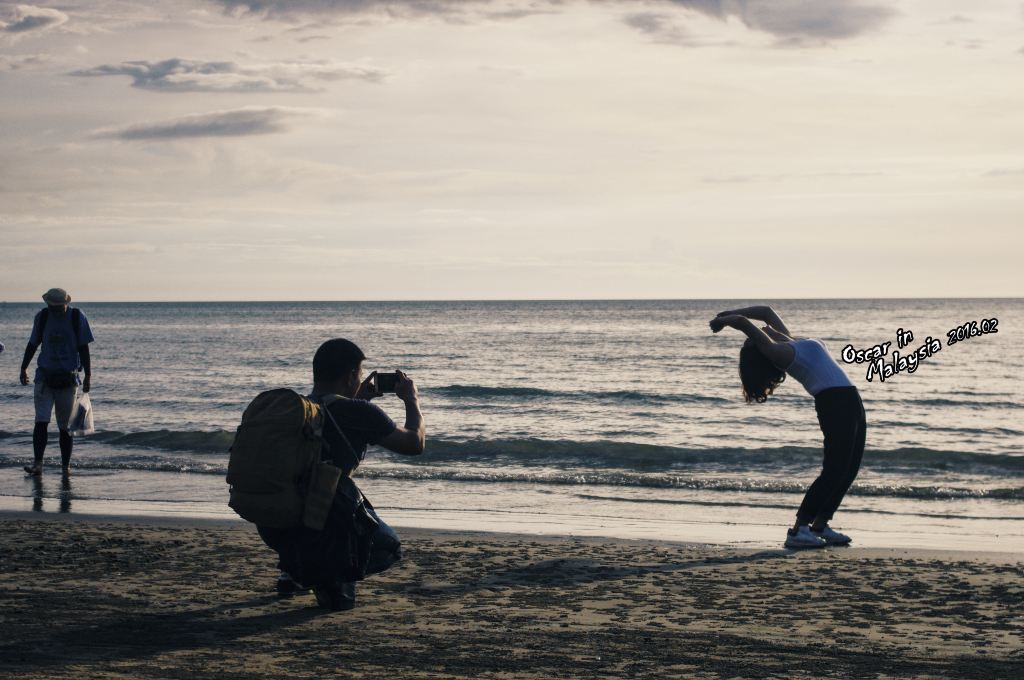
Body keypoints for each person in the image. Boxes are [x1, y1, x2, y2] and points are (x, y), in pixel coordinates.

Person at [258, 338, 425, 611]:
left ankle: (296, 567)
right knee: (389, 546)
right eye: (359, 374)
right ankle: (322, 576)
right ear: (350, 376)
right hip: (323, 520)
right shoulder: (358, 412)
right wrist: (411, 399)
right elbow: (414, 443)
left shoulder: (300, 409)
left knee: (322, 497)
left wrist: (359, 401)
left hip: (276, 520)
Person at [709, 305, 865, 550]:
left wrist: (729, 311)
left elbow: (767, 312)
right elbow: (741, 322)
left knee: (849, 468)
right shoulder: (779, 352)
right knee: (834, 469)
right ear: (759, 347)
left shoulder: (788, 342)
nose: (760, 333)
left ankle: (820, 525)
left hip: (850, 399)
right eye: (755, 339)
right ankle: (798, 529)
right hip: (834, 402)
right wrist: (724, 320)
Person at [19, 288, 94, 476]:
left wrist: (88, 375)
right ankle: (38, 464)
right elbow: (33, 344)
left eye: (59, 307)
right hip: (44, 377)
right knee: (41, 422)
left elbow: (83, 348)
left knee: (65, 427)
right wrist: (23, 368)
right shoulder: (42, 317)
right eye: (52, 307)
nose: (56, 310)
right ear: (48, 305)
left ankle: (65, 466)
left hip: (68, 380)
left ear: (65, 303)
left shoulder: (77, 317)